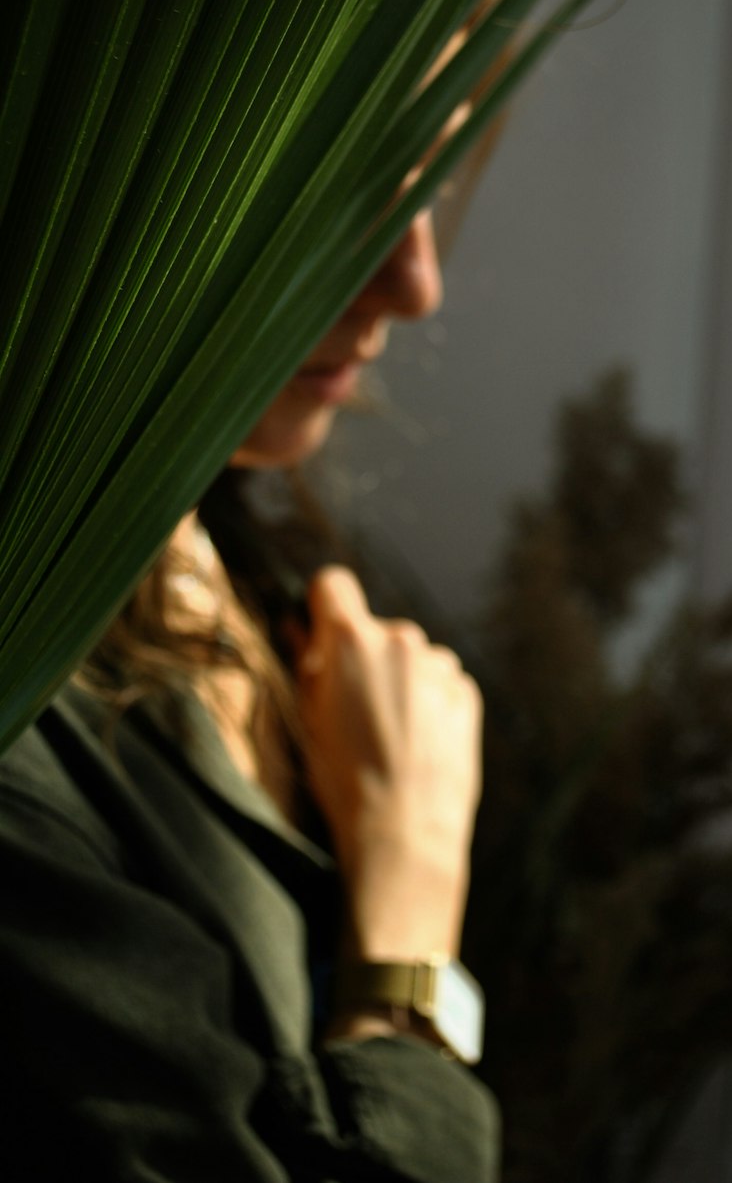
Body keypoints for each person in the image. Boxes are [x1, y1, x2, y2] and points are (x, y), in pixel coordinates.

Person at [0, 200, 500, 1181]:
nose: (416, 284)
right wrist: (408, 925)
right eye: (352, 180)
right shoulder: (23, 739)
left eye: (432, 187)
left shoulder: (258, 566)